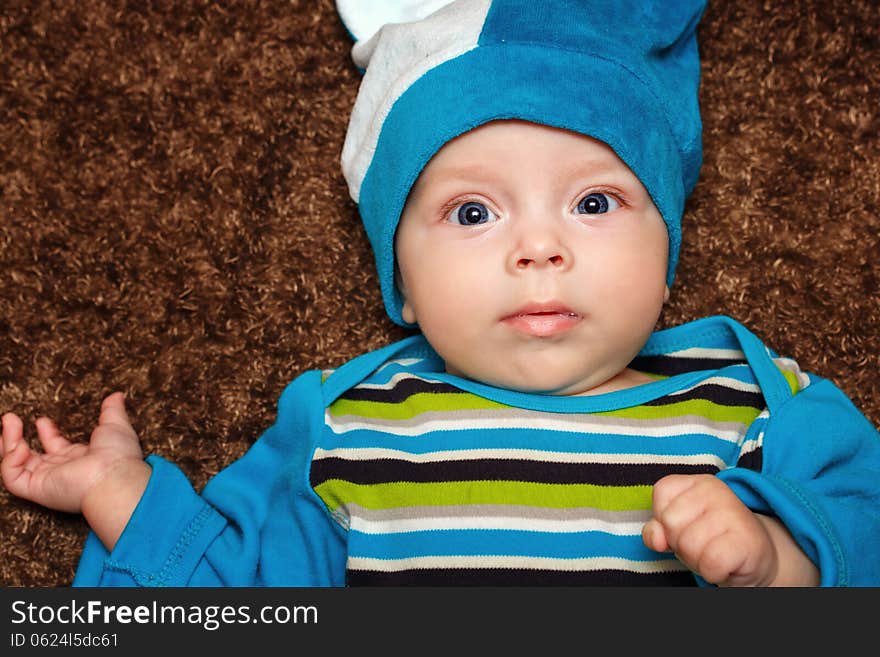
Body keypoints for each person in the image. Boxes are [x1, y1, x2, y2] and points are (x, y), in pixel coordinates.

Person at [2, 0, 879, 587]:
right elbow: (243, 589)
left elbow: (864, 526)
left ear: (666, 244)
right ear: (403, 283)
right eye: (471, 211)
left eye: (595, 202)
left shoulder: (753, 403)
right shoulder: (352, 424)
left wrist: (777, 558)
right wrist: (119, 493)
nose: (540, 246)